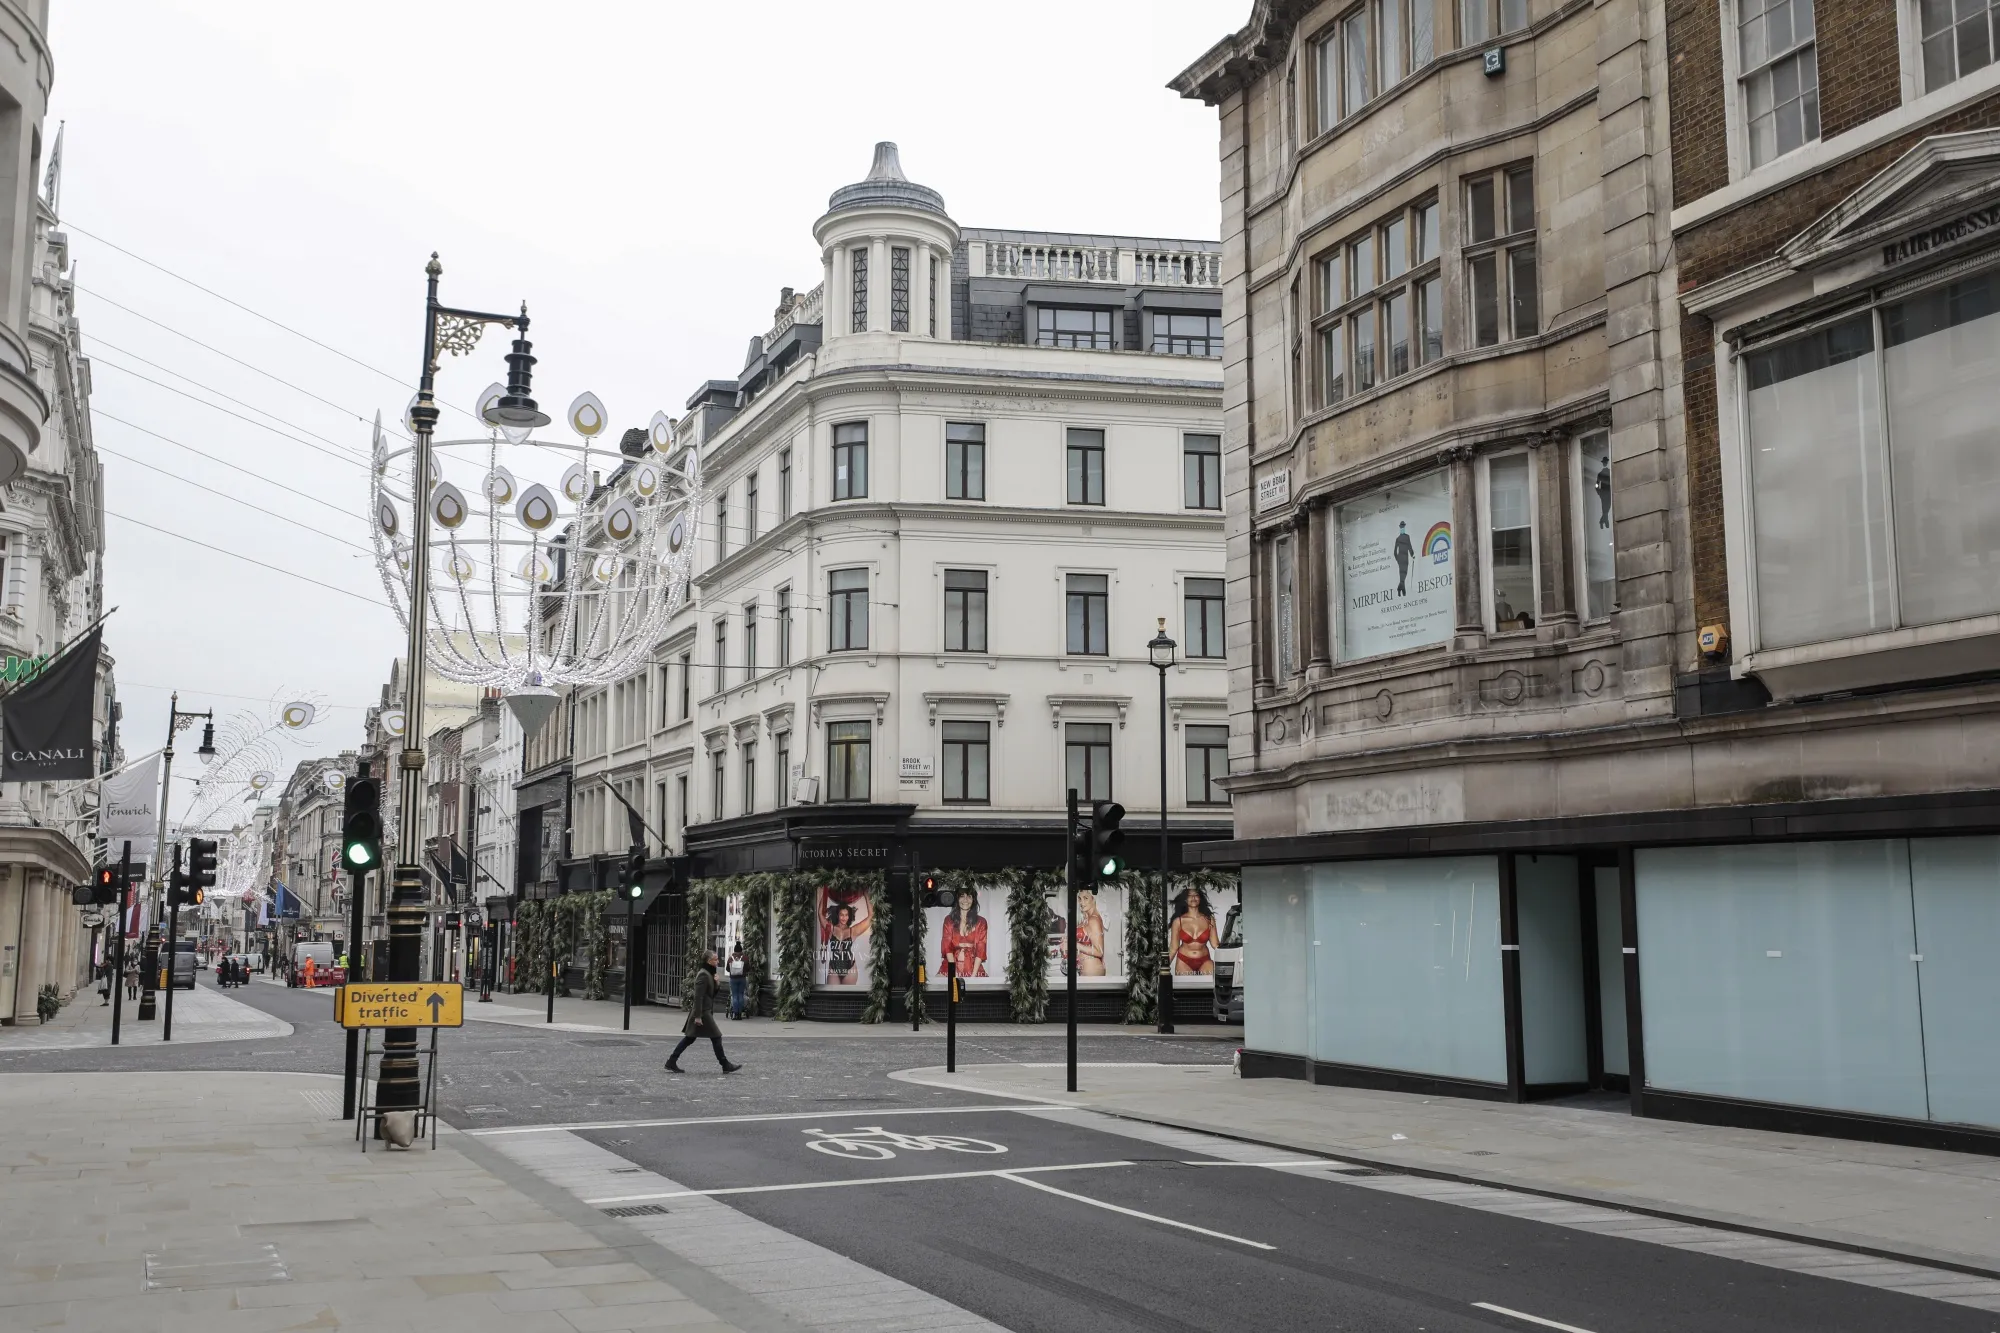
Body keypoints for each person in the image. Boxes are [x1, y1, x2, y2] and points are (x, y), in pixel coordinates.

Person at [665, 950, 739, 1074]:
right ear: (708, 961)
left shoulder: (710, 974)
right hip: (702, 1012)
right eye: (715, 959)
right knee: (716, 1036)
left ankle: (671, 1061)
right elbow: (698, 997)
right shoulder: (703, 974)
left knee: (690, 1038)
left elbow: (711, 994)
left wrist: (717, 983)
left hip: (706, 1011)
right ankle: (725, 1064)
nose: (717, 961)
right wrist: (698, 1016)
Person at [1169, 885, 1219, 976]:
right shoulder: (1178, 921)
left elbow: (1215, 944)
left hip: (1204, 959)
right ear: (1185, 900)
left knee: (1211, 986)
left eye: (1196, 895)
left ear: (1200, 898)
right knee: (1185, 989)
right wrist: (1162, 968)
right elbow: (1173, 948)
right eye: (1189, 896)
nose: (1193, 898)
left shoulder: (1209, 919)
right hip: (1184, 960)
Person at [940, 887, 987, 979]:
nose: (965, 900)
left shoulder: (981, 922)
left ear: (974, 900)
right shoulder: (949, 920)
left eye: (969, 896)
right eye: (962, 896)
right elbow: (947, 948)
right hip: (951, 964)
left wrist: (973, 977)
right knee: (940, 988)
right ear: (957, 899)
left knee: (981, 990)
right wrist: (954, 974)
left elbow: (981, 950)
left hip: (974, 966)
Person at [822, 902, 867, 986]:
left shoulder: (852, 931)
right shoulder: (831, 929)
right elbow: (820, 915)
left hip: (849, 968)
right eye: (841, 915)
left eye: (846, 915)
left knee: (847, 996)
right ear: (837, 915)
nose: (844, 917)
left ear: (849, 916)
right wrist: (822, 892)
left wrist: (866, 896)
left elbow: (871, 916)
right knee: (832, 996)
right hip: (834, 967)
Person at [1074, 888, 1106, 977]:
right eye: (1079, 898)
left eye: (1086, 898)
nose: (1081, 902)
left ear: (1094, 899)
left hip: (1092, 970)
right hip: (1086, 970)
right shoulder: (1087, 919)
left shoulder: (1093, 920)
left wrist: (1074, 944)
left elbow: (1099, 951)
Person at [726, 942, 747, 1019]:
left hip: (733, 979)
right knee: (741, 995)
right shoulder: (745, 958)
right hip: (742, 979)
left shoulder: (730, 958)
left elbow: (727, 969)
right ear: (741, 950)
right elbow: (749, 968)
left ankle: (735, 1014)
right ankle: (740, 1014)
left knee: (734, 996)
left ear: (734, 950)